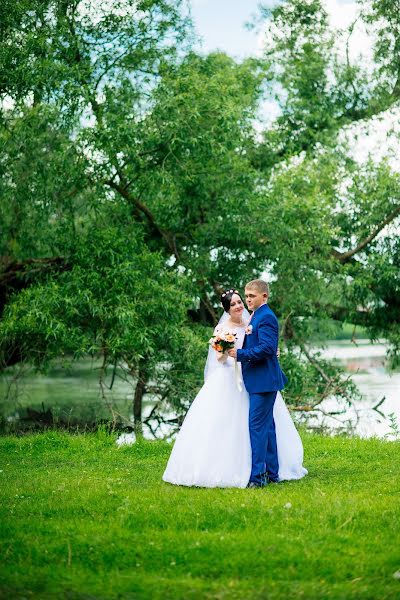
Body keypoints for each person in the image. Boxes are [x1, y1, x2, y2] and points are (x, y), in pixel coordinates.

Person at [162, 283, 307, 488]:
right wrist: (227, 352)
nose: (242, 304)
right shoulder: (229, 326)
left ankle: (261, 475)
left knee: (261, 427)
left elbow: (265, 346)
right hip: (233, 378)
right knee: (251, 426)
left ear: (262, 297)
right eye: (237, 303)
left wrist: (264, 352)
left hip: (255, 378)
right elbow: (220, 357)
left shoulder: (256, 318)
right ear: (227, 309)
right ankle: (263, 472)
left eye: (244, 299)